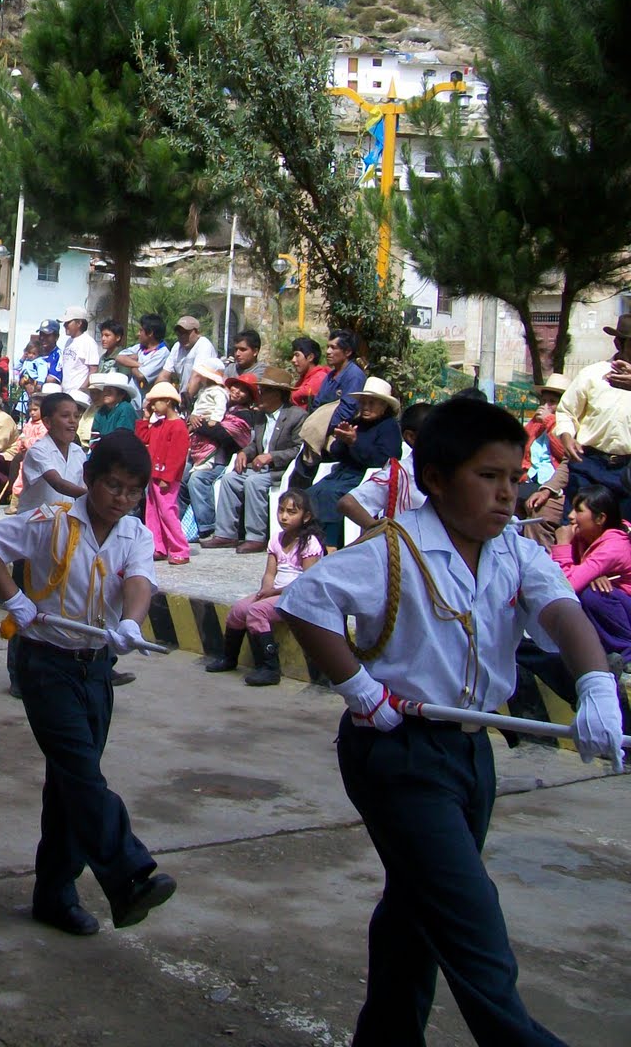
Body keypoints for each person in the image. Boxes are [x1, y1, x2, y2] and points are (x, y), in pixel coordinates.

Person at [278, 399, 623, 1047]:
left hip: (470, 751)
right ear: (435, 477)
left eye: (514, 477)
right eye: (487, 476)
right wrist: (358, 688)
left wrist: (597, 685)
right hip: (398, 751)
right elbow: (305, 600)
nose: (506, 493)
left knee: (416, 910)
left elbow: (561, 612)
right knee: (471, 922)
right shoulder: (396, 548)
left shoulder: (512, 552)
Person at [0, 430, 177, 936]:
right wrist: (14, 597)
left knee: (69, 787)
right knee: (82, 774)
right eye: (112, 486)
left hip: (95, 667)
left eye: (132, 490)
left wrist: (131, 622)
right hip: (47, 664)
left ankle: (55, 894)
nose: (121, 498)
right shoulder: (53, 522)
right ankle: (129, 872)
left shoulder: (136, 534)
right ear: (89, 480)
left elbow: (138, 581)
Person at [210, 490, 323, 684]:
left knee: (256, 612)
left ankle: (270, 668)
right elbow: (270, 573)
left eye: (291, 512)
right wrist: (265, 591)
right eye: (281, 511)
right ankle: (228, 658)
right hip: (275, 593)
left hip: (298, 596)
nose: (284, 516)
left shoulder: (309, 543)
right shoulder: (277, 539)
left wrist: (273, 593)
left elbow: (307, 581)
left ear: (306, 517)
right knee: (238, 610)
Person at [201, 366, 305, 553]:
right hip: (258, 467)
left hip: (280, 470)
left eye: (264, 391)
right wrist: (244, 453)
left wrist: (272, 456)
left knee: (254, 482)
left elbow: (299, 449)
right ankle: (226, 534)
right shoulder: (260, 416)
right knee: (229, 479)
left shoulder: (296, 416)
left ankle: (256, 537)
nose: (260, 395)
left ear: (278, 394)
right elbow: (254, 443)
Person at [309, 377, 402, 548]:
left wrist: (354, 442)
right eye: (364, 403)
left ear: (384, 406)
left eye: (372, 403)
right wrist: (342, 440)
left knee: (331, 494)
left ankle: (331, 544)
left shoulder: (389, 427)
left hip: (367, 477)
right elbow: (336, 453)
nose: (366, 407)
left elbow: (386, 459)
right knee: (312, 492)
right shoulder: (356, 423)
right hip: (343, 473)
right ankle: (313, 542)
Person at [555, 314, 631, 520]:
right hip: (590, 463)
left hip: (628, 471)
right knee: (577, 526)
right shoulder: (592, 375)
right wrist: (566, 436)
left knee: (624, 534)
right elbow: (566, 412)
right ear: (619, 343)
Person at [550, 485, 631, 657]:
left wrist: (562, 545)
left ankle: (626, 651)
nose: (571, 516)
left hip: (625, 606)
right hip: (622, 606)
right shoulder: (585, 536)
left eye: (578, 511)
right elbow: (551, 575)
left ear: (600, 518)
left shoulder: (612, 547)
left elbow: (567, 586)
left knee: (593, 594)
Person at [338, 401, 433, 534]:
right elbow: (348, 503)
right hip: (407, 547)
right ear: (411, 437)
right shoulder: (400, 473)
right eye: (435, 433)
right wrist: (384, 534)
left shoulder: (451, 471)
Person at [184, 369, 257, 542]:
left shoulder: (244, 414)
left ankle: (207, 527)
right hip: (204, 456)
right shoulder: (222, 406)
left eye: (242, 390)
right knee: (180, 476)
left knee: (198, 479)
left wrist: (197, 423)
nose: (236, 391)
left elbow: (224, 435)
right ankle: (178, 524)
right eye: (235, 387)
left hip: (223, 461)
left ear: (249, 397)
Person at [135, 382, 190, 566]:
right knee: (152, 513)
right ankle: (158, 546)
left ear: (167, 401)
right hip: (154, 475)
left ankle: (180, 548)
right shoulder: (159, 424)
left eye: (156, 402)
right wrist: (145, 417)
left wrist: (168, 477)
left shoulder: (178, 426)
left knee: (168, 512)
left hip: (166, 478)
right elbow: (143, 437)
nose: (153, 406)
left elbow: (177, 456)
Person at [517, 374, 570, 546]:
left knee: (537, 509)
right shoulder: (536, 424)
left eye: (552, 402)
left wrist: (550, 422)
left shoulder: (567, 427)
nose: (546, 406)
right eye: (544, 401)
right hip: (530, 479)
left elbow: (565, 453)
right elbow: (521, 448)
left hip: (554, 485)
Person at [17, 390, 87, 511]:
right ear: (48, 422)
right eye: (65, 416)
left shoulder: (78, 452)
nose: (73, 421)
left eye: (76, 416)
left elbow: (82, 485)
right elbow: (58, 484)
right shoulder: (38, 450)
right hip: (35, 523)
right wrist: (94, 497)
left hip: (65, 521)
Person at [160, 316, 218, 400]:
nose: (182, 336)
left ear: (197, 332)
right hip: (184, 398)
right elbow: (164, 375)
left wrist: (184, 403)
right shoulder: (177, 347)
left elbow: (197, 377)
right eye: (179, 333)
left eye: (186, 333)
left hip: (203, 400)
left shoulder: (204, 345)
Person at [58, 306, 102, 406]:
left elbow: (93, 369)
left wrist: (82, 389)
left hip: (79, 396)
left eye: (68, 322)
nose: (65, 325)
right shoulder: (68, 342)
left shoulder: (88, 342)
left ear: (79, 323)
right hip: (66, 393)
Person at [288, 336, 326, 410]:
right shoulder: (303, 379)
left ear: (310, 357)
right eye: (293, 356)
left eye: (297, 355)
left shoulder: (319, 378)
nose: (293, 360)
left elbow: (295, 396)